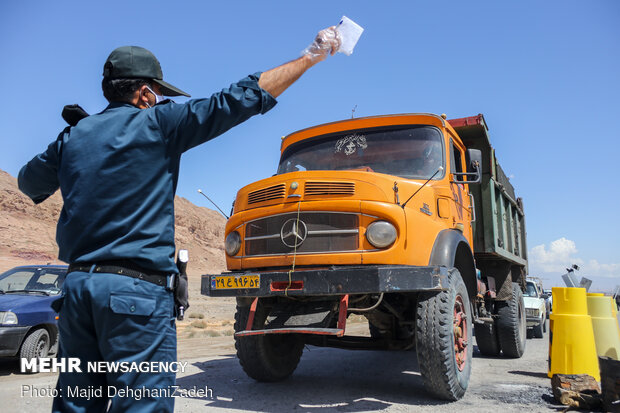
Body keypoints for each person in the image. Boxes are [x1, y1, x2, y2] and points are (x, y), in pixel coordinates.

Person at [17, 27, 341, 413]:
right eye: (157, 93)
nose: (158, 100)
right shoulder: (158, 123)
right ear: (143, 93)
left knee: (77, 402)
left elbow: (28, 181)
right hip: (133, 296)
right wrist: (310, 56)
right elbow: (238, 99)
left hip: (78, 292)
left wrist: (83, 141)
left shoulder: (71, 137)